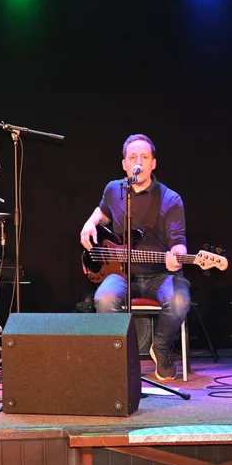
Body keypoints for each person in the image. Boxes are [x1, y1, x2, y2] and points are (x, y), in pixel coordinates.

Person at [79, 134, 191, 381]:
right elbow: (103, 212)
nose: (138, 162)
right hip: (120, 273)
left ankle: (160, 348)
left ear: (153, 163)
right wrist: (90, 222)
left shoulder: (170, 199)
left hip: (160, 274)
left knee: (179, 301)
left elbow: (178, 242)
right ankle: (120, 357)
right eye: (132, 157)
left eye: (144, 157)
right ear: (124, 164)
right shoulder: (113, 189)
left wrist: (177, 256)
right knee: (104, 299)